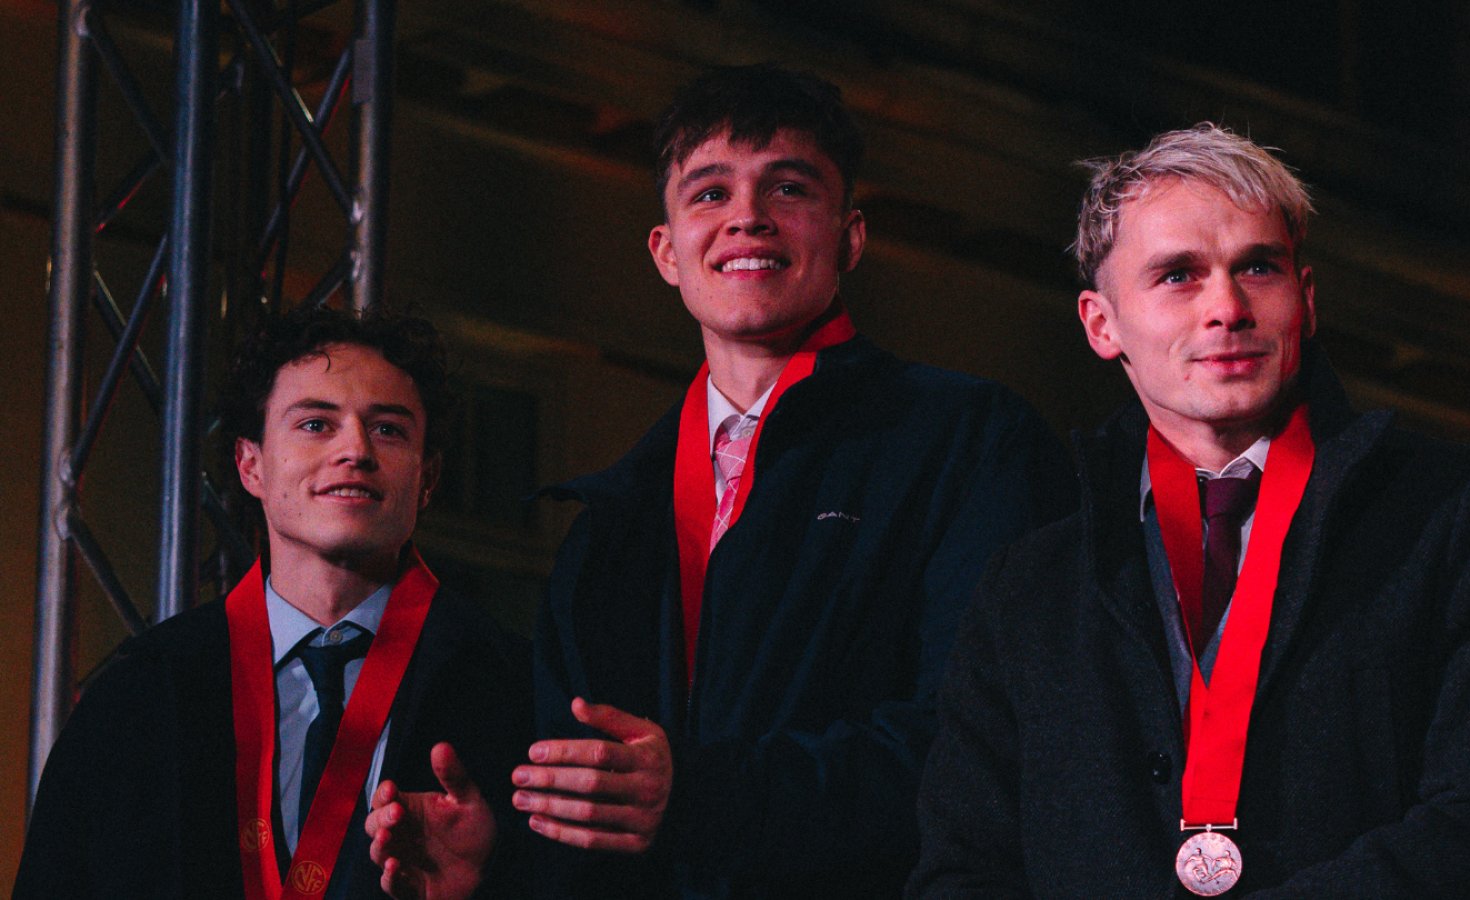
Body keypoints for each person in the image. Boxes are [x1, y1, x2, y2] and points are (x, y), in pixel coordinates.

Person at [366, 64, 1073, 898]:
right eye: (709, 193)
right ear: (666, 252)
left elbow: (988, 743)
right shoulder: (609, 519)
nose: (747, 216)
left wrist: (703, 797)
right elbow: (594, 823)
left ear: (850, 237)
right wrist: (499, 866)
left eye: (789, 188)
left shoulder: (968, 441)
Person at [907, 123, 1470, 897]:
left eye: (1258, 267)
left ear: (1307, 300)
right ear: (1101, 324)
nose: (1227, 307)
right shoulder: (1028, 589)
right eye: (1178, 276)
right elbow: (963, 869)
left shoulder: (1460, 514)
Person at [14, 305, 532, 900]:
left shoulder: (514, 691)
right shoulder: (142, 694)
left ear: (428, 478)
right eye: (315, 424)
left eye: (388, 429)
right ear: (250, 465)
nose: (356, 449)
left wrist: (487, 884)